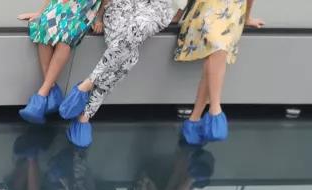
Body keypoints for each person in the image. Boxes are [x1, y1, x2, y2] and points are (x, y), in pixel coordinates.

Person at [58, 0, 187, 148]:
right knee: (129, 58)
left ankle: (88, 84)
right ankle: (85, 116)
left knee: (139, 26)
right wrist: (99, 17)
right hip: (120, 7)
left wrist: (176, 17)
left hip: (154, 9)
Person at [175, 0, 264, 144]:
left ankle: (195, 119)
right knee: (218, 45)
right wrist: (178, 14)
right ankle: (215, 110)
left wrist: (247, 18)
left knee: (218, 51)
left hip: (232, 14)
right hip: (207, 10)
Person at [17, 0, 105, 124]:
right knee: (43, 27)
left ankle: (42, 95)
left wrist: (99, 19)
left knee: (65, 37)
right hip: (62, 3)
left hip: (84, 7)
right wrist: (40, 12)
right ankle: (51, 90)